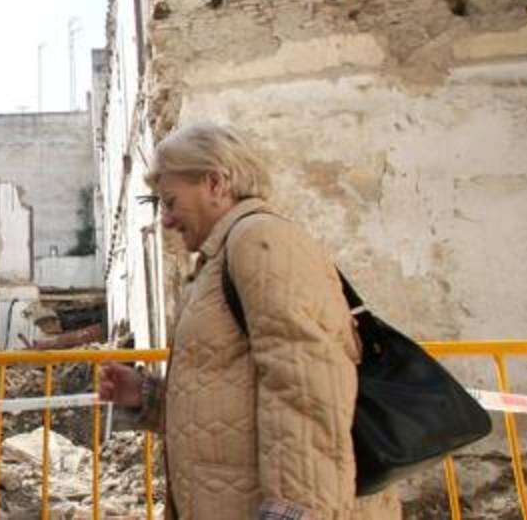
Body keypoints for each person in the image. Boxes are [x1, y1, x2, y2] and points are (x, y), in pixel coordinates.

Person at [98, 122, 400, 519]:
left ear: (215, 183)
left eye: (171, 202)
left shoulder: (260, 241)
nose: (166, 220)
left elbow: (306, 388)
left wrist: (294, 511)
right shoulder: (222, 257)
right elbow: (231, 400)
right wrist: (148, 397)